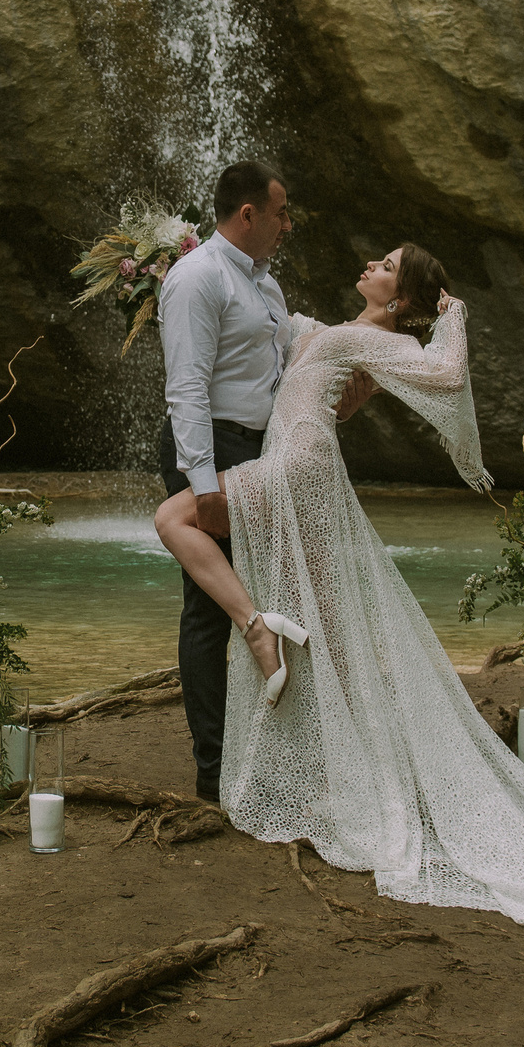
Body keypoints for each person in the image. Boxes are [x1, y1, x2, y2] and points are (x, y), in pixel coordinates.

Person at [154, 242, 524, 931]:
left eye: (385, 266)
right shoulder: (336, 332)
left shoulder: (377, 340)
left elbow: (445, 370)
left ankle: (258, 630)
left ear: (398, 298)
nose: (371, 263)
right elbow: (273, 323)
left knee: (173, 517)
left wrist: (452, 311)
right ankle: (345, 775)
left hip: (298, 467)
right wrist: (194, 262)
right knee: (333, 626)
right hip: (303, 470)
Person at [154, 161, 372, 804]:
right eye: (281, 213)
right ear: (247, 214)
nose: (288, 225)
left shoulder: (268, 288)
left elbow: (278, 380)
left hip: (261, 452)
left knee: (282, 591)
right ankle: (213, 773)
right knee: (207, 611)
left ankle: (274, 762)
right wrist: (201, 479)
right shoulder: (196, 278)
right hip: (209, 448)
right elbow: (186, 385)